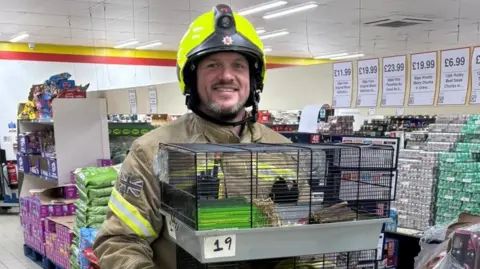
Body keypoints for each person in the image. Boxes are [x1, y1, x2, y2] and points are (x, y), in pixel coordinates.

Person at [93, 4, 297, 269]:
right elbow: (119, 240)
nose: (226, 75)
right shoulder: (152, 151)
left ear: (253, 80)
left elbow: (303, 233)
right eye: (212, 65)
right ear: (191, 77)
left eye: (238, 65)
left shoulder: (285, 151)